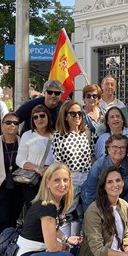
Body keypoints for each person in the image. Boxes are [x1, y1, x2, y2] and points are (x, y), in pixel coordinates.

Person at [12, 163, 80, 256]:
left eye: (65, 180)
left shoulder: (55, 202)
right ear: (47, 182)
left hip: (33, 255)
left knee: (72, 250)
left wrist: (67, 238)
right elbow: (52, 246)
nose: (62, 184)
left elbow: (51, 228)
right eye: (57, 180)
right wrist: (65, 246)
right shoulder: (47, 206)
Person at [52, 100, 95, 236]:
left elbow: (92, 156)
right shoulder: (58, 136)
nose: (77, 116)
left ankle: (76, 251)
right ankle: (64, 250)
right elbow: (57, 162)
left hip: (87, 178)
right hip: (69, 178)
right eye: (73, 114)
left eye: (80, 113)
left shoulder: (86, 133)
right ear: (65, 116)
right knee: (66, 215)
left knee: (82, 216)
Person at [17, 105, 54, 208]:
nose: (39, 119)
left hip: (51, 179)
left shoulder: (56, 135)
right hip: (32, 180)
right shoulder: (27, 135)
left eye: (42, 115)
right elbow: (19, 159)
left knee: (50, 209)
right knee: (34, 210)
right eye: (35, 117)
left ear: (48, 117)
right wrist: (38, 169)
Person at [81, 134, 128, 213]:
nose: (118, 150)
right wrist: (90, 214)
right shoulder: (98, 166)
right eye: (114, 147)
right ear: (108, 149)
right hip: (98, 203)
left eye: (122, 147)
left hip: (119, 204)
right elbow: (89, 193)